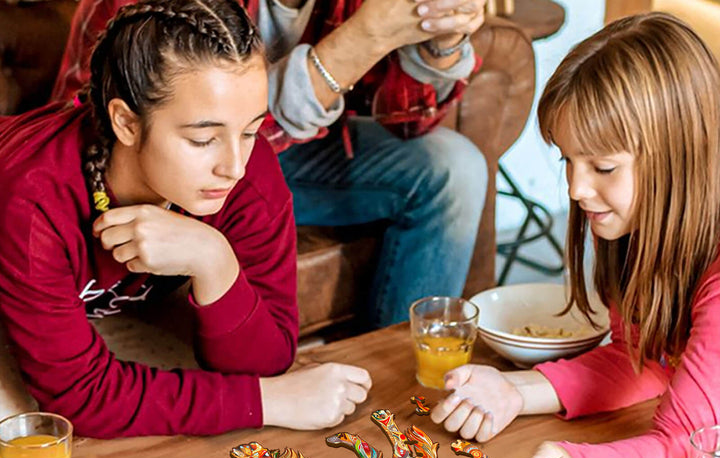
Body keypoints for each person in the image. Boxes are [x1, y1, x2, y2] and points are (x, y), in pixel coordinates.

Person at [0, 0, 371, 438]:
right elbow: (82, 398)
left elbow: (268, 358)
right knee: (22, 434)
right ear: (126, 123)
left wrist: (214, 260)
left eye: (250, 131)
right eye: (203, 139)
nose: (234, 165)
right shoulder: (33, 199)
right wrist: (270, 401)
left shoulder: (247, 171)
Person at [431, 12, 720, 458]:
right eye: (568, 160)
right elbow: (643, 358)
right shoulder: (642, 231)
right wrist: (515, 391)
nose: (574, 189)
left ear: (682, 157)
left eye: (603, 167)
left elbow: (689, 448)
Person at [51, 0, 489, 328]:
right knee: (225, 149)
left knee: (454, 167)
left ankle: (402, 370)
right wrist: (362, 39)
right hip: (152, 164)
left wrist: (440, 41)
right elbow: (109, 136)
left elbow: (411, 124)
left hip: (288, 149)